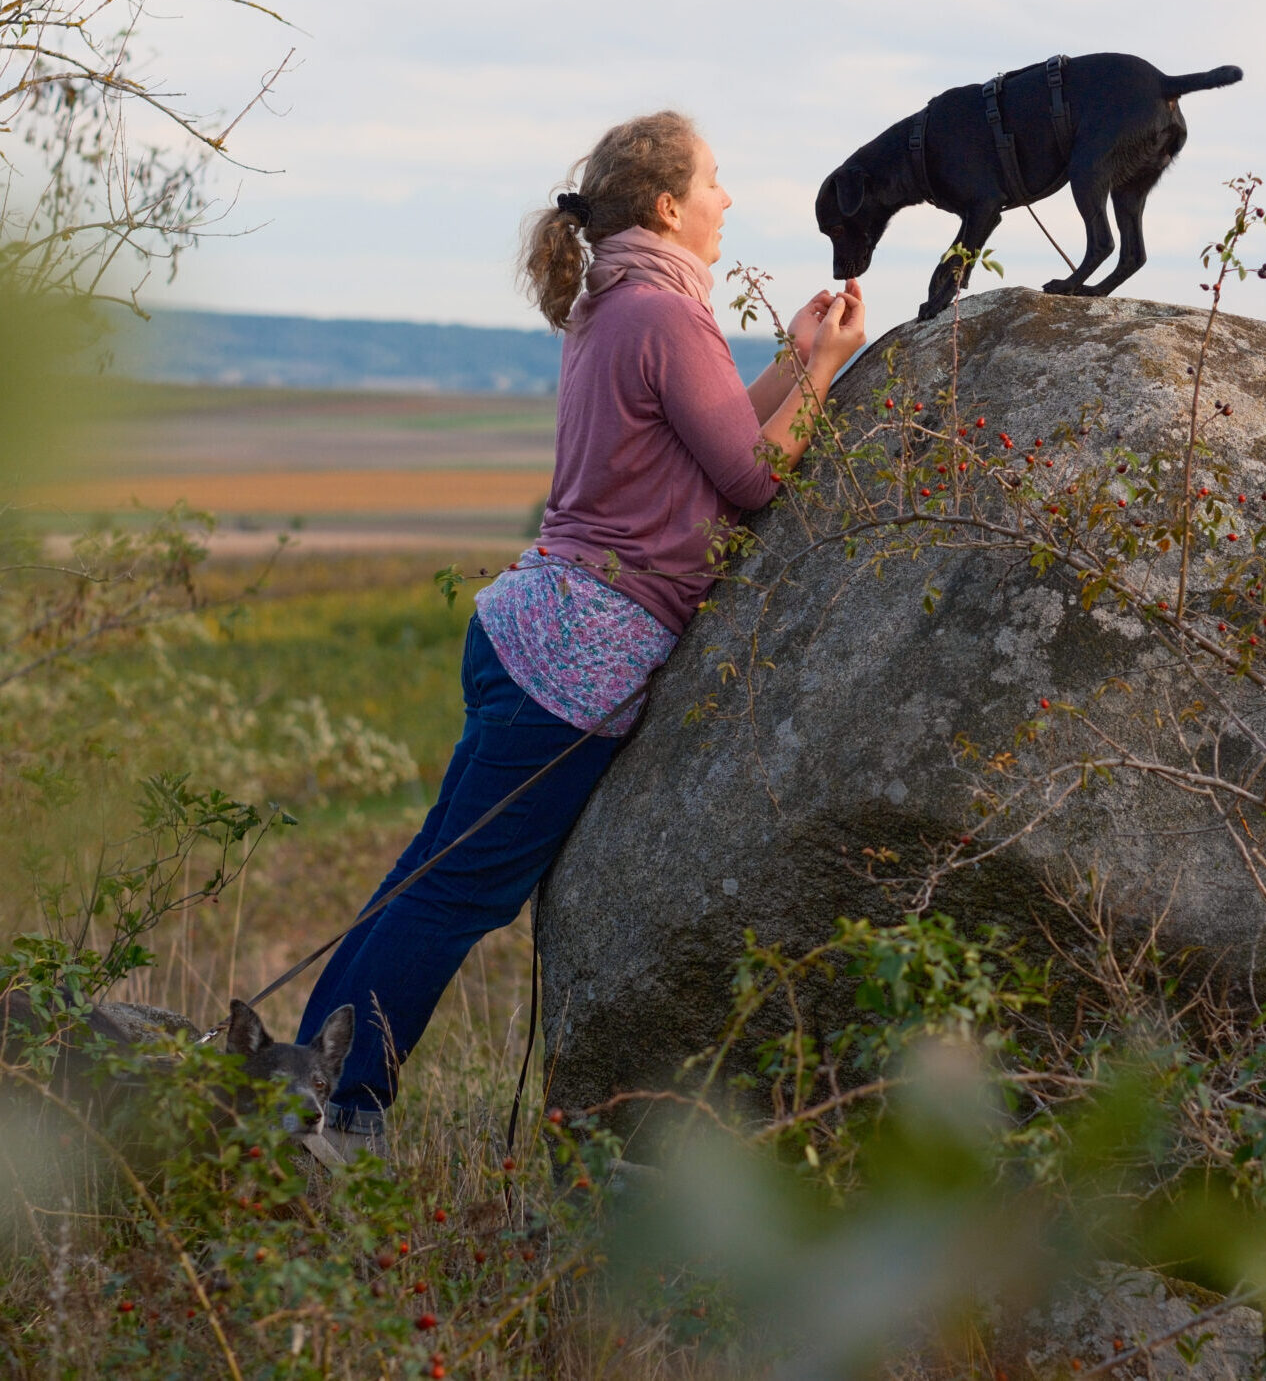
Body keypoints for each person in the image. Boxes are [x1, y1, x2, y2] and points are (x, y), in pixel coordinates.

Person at [294, 110, 866, 1156]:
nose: (726, 199)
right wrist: (828, 374)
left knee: (423, 880)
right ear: (665, 204)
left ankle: (300, 1092)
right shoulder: (662, 312)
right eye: (714, 181)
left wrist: (792, 359)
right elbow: (749, 480)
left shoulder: (624, 300)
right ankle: (340, 1118)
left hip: (538, 627)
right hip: (576, 657)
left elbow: (715, 436)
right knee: (452, 897)